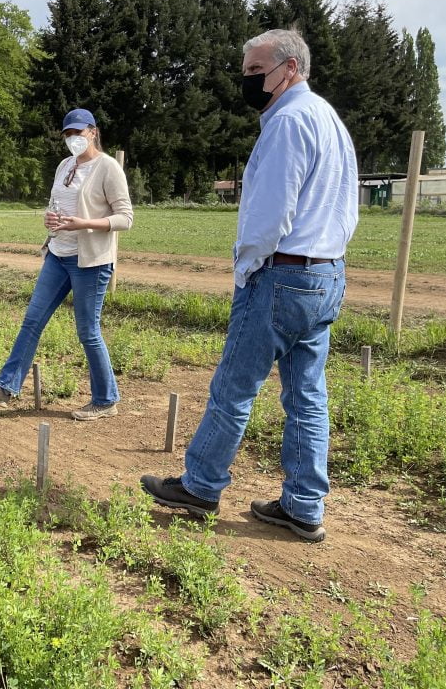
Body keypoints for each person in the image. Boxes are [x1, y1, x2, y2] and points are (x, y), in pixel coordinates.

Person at [140, 29, 359, 542]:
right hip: (325, 272)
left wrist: (248, 266)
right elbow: (345, 204)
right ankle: (303, 505)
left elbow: (270, 212)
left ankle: (201, 485)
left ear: (290, 68)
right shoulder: (328, 118)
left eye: (257, 71)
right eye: (246, 72)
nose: (248, 81)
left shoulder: (287, 122)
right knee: (307, 395)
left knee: (234, 387)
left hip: (280, 273)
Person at [0, 108, 133, 421]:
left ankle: (105, 400)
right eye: (68, 134)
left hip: (90, 262)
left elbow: (125, 218)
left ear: (93, 132)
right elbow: (56, 205)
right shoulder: (65, 165)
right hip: (58, 255)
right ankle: (5, 388)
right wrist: (50, 220)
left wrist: (83, 223)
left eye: (78, 132)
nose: (73, 138)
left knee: (88, 331)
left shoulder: (108, 168)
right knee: (32, 320)